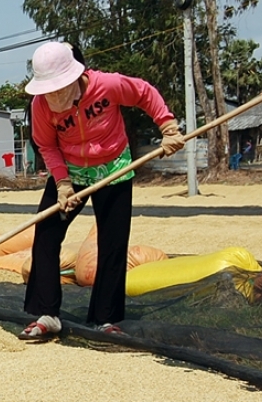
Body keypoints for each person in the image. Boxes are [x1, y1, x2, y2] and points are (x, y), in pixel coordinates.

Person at [17, 41, 185, 340]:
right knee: (46, 234)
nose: (52, 95)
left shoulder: (107, 85)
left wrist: (167, 126)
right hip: (71, 171)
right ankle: (47, 314)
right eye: (47, 89)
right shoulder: (41, 105)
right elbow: (47, 145)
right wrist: (63, 183)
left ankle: (105, 318)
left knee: (113, 242)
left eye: (58, 88)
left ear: (73, 77)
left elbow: (144, 92)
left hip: (113, 167)